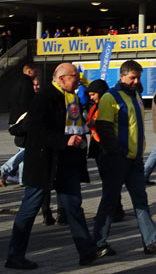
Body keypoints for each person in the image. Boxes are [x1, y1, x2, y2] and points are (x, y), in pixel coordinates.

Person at [5, 63, 106, 270]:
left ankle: (86, 252)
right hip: (44, 163)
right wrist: (64, 140)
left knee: (74, 208)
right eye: (74, 77)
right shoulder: (44, 98)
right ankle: (15, 256)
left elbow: (73, 124)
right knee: (29, 210)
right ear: (61, 79)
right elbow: (36, 130)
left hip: (67, 163)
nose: (78, 80)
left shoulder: (73, 97)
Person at [94, 60, 156, 257]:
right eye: (132, 78)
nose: (136, 81)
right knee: (109, 202)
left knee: (141, 201)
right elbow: (103, 127)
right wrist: (115, 151)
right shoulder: (109, 97)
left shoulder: (136, 95)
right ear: (121, 76)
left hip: (135, 159)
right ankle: (98, 243)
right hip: (117, 159)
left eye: (138, 77)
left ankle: (151, 240)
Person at [86, 79, 125, 225]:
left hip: (105, 148)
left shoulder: (106, 105)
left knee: (110, 183)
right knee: (108, 182)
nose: (91, 97)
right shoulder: (96, 106)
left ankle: (112, 211)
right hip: (98, 147)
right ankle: (117, 209)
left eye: (93, 94)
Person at [1, 63, 38, 187]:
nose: (36, 74)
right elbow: (28, 103)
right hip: (23, 121)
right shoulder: (26, 84)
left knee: (24, 148)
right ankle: (4, 170)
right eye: (35, 71)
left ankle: (23, 179)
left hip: (15, 118)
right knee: (26, 149)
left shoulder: (17, 83)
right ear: (29, 71)